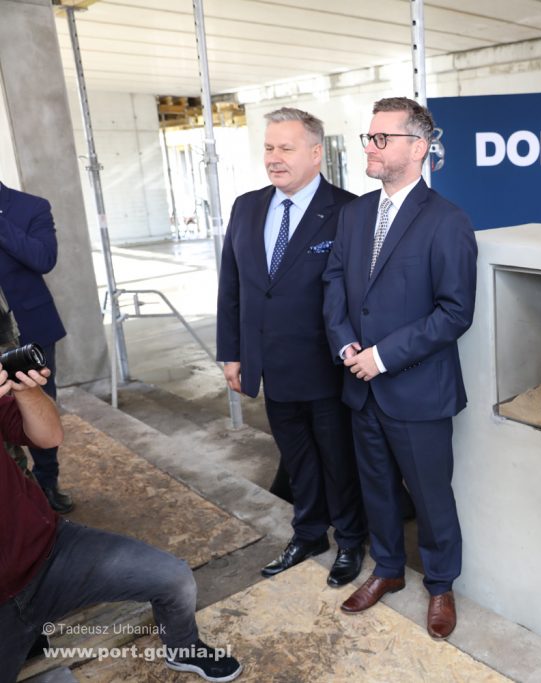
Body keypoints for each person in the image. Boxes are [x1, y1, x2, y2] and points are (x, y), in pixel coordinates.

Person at [323, 96, 477, 640]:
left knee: (431, 496)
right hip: (359, 387)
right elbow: (335, 286)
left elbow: (455, 312)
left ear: (417, 148)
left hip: (417, 390)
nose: (369, 146)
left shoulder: (448, 222)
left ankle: (440, 584)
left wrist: (381, 357)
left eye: (381, 138)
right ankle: (387, 569)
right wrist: (344, 345)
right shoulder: (355, 214)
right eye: (368, 137)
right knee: (377, 488)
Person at [0, 364, 241, 682]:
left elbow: (49, 435)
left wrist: (25, 388)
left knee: (173, 578)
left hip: (47, 552)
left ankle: (182, 647)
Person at [216, 107, 367, 587]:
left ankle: (349, 539)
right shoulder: (247, 206)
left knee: (337, 458)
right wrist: (232, 352)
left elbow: (358, 297)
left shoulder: (348, 211)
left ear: (316, 153)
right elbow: (233, 286)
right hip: (270, 365)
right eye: (268, 148)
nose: (274, 158)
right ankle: (307, 533)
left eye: (286, 148)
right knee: (296, 456)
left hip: (326, 365)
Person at [0, 181, 70, 513]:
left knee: (39, 406)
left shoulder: (32, 206)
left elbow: (43, 258)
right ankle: (14, 488)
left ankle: (47, 481)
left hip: (27, 330)